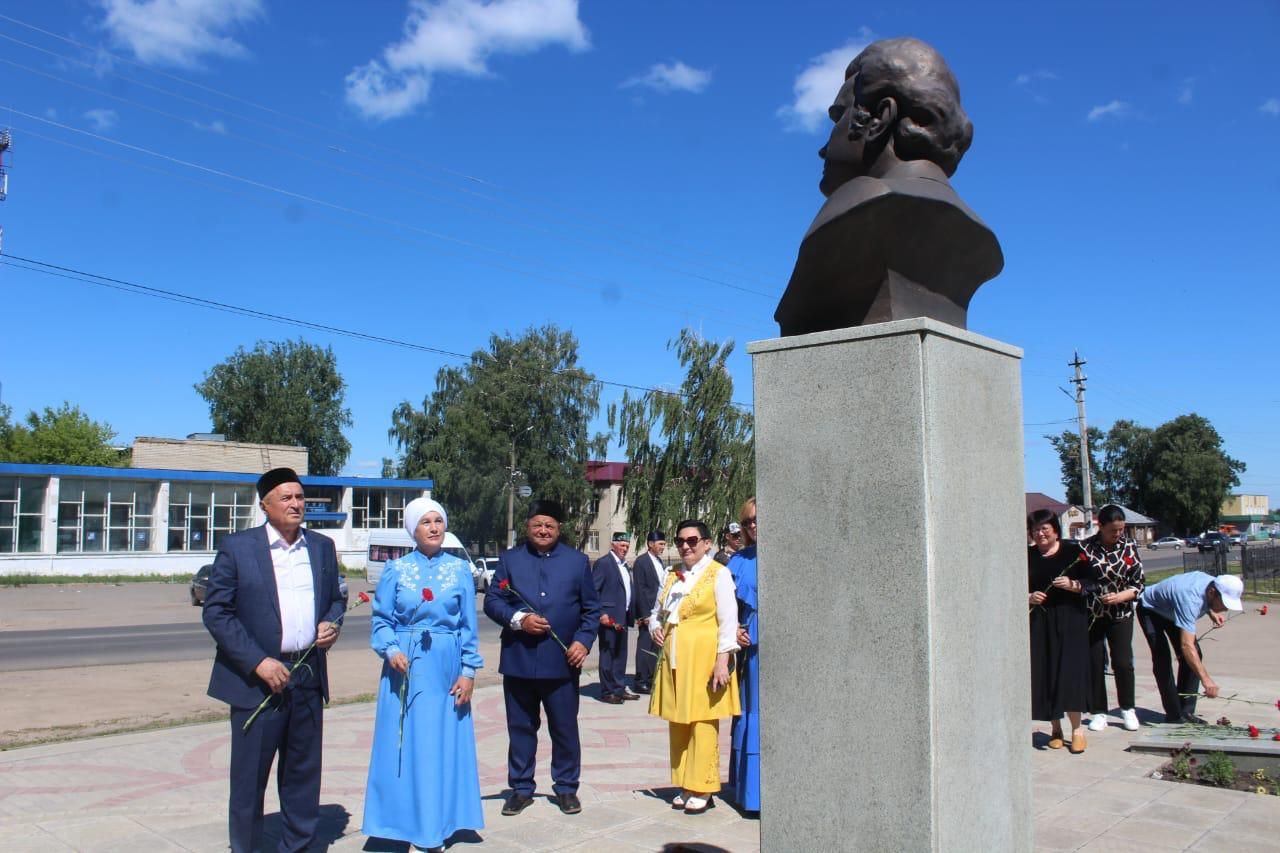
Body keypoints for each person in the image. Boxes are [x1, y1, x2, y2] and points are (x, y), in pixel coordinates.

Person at [202, 467, 346, 853]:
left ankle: (298, 845)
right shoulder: (239, 547)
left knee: (302, 774)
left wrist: (331, 624)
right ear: (265, 505)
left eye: (300, 497)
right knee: (250, 779)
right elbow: (217, 613)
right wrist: (258, 662)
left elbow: (336, 599)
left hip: (307, 675)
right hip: (257, 684)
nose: (296, 504)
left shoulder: (320, 547)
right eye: (287, 498)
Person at [362, 498, 483, 852]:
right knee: (404, 744)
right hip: (405, 669)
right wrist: (391, 649)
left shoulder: (460, 571)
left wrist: (469, 671)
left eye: (439, 521)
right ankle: (400, 820)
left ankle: (438, 823)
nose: (434, 527)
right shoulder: (395, 571)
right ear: (412, 530)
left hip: (445, 669)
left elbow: (468, 626)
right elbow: (381, 620)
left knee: (439, 746)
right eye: (425, 522)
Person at [483, 499, 601, 817]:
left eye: (549, 525)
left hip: (563, 663)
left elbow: (592, 609)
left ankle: (566, 788)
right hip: (519, 660)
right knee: (520, 728)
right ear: (528, 527)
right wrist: (519, 619)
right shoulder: (510, 559)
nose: (543, 530)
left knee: (564, 728)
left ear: (559, 528)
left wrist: (583, 642)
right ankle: (521, 788)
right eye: (537, 524)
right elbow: (493, 600)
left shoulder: (577, 562)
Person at [649, 520, 741, 815]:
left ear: (706, 543)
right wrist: (654, 626)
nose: (685, 546)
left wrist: (722, 661)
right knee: (679, 721)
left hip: (703, 657)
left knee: (702, 721)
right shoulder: (671, 575)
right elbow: (657, 612)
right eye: (680, 541)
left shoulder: (719, 574)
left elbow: (728, 621)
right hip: (674, 657)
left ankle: (704, 786)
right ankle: (685, 783)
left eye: (692, 541)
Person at [1026, 509, 1094, 754]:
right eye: (1035, 530)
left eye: (1045, 528)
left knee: (1070, 673)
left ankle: (1077, 730)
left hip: (1070, 620)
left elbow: (1094, 581)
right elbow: (1013, 586)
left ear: (1055, 529)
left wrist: (1073, 585)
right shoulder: (1027, 555)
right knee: (1046, 672)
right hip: (1041, 622)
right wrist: (1029, 597)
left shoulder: (1073, 552)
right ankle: (1056, 729)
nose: (1040, 534)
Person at [1137, 573, 1244, 724]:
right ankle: (1174, 715)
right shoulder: (1190, 598)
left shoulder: (1211, 584)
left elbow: (1205, 598)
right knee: (1163, 660)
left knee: (1195, 656)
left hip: (1173, 611)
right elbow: (1187, 645)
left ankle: (1186, 711)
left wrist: (1211, 612)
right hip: (1150, 609)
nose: (1226, 609)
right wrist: (1206, 680)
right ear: (1213, 593)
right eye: (1225, 603)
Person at [1081, 505, 1145, 732]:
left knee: (1123, 662)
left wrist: (1120, 596)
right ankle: (1098, 711)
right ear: (1101, 526)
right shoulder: (1086, 547)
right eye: (1113, 530)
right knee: (1095, 662)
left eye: (1121, 529)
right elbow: (1079, 580)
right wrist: (1093, 593)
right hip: (1093, 614)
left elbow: (1139, 583)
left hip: (1121, 613)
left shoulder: (1129, 546)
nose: (1118, 534)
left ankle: (1128, 708)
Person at [727, 499, 760, 811]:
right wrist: (734, 630)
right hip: (752, 654)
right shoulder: (737, 561)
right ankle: (752, 794)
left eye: (757, 520)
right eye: (748, 521)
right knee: (753, 714)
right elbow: (725, 610)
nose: (752, 526)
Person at [592, 532, 638, 704]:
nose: (624, 549)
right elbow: (593, 591)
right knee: (608, 654)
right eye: (621, 545)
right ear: (613, 545)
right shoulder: (604, 563)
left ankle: (618, 688)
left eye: (627, 546)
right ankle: (607, 691)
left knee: (621, 654)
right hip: (608, 617)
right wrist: (601, 613)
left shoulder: (624, 565)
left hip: (623, 616)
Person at [632, 530, 667, 694]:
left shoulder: (659, 561)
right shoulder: (642, 562)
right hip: (647, 614)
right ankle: (640, 680)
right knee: (645, 646)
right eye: (660, 544)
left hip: (658, 614)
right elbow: (640, 589)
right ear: (650, 544)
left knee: (655, 646)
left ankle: (652, 677)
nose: (663, 547)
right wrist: (645, 614)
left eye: (664, 544)